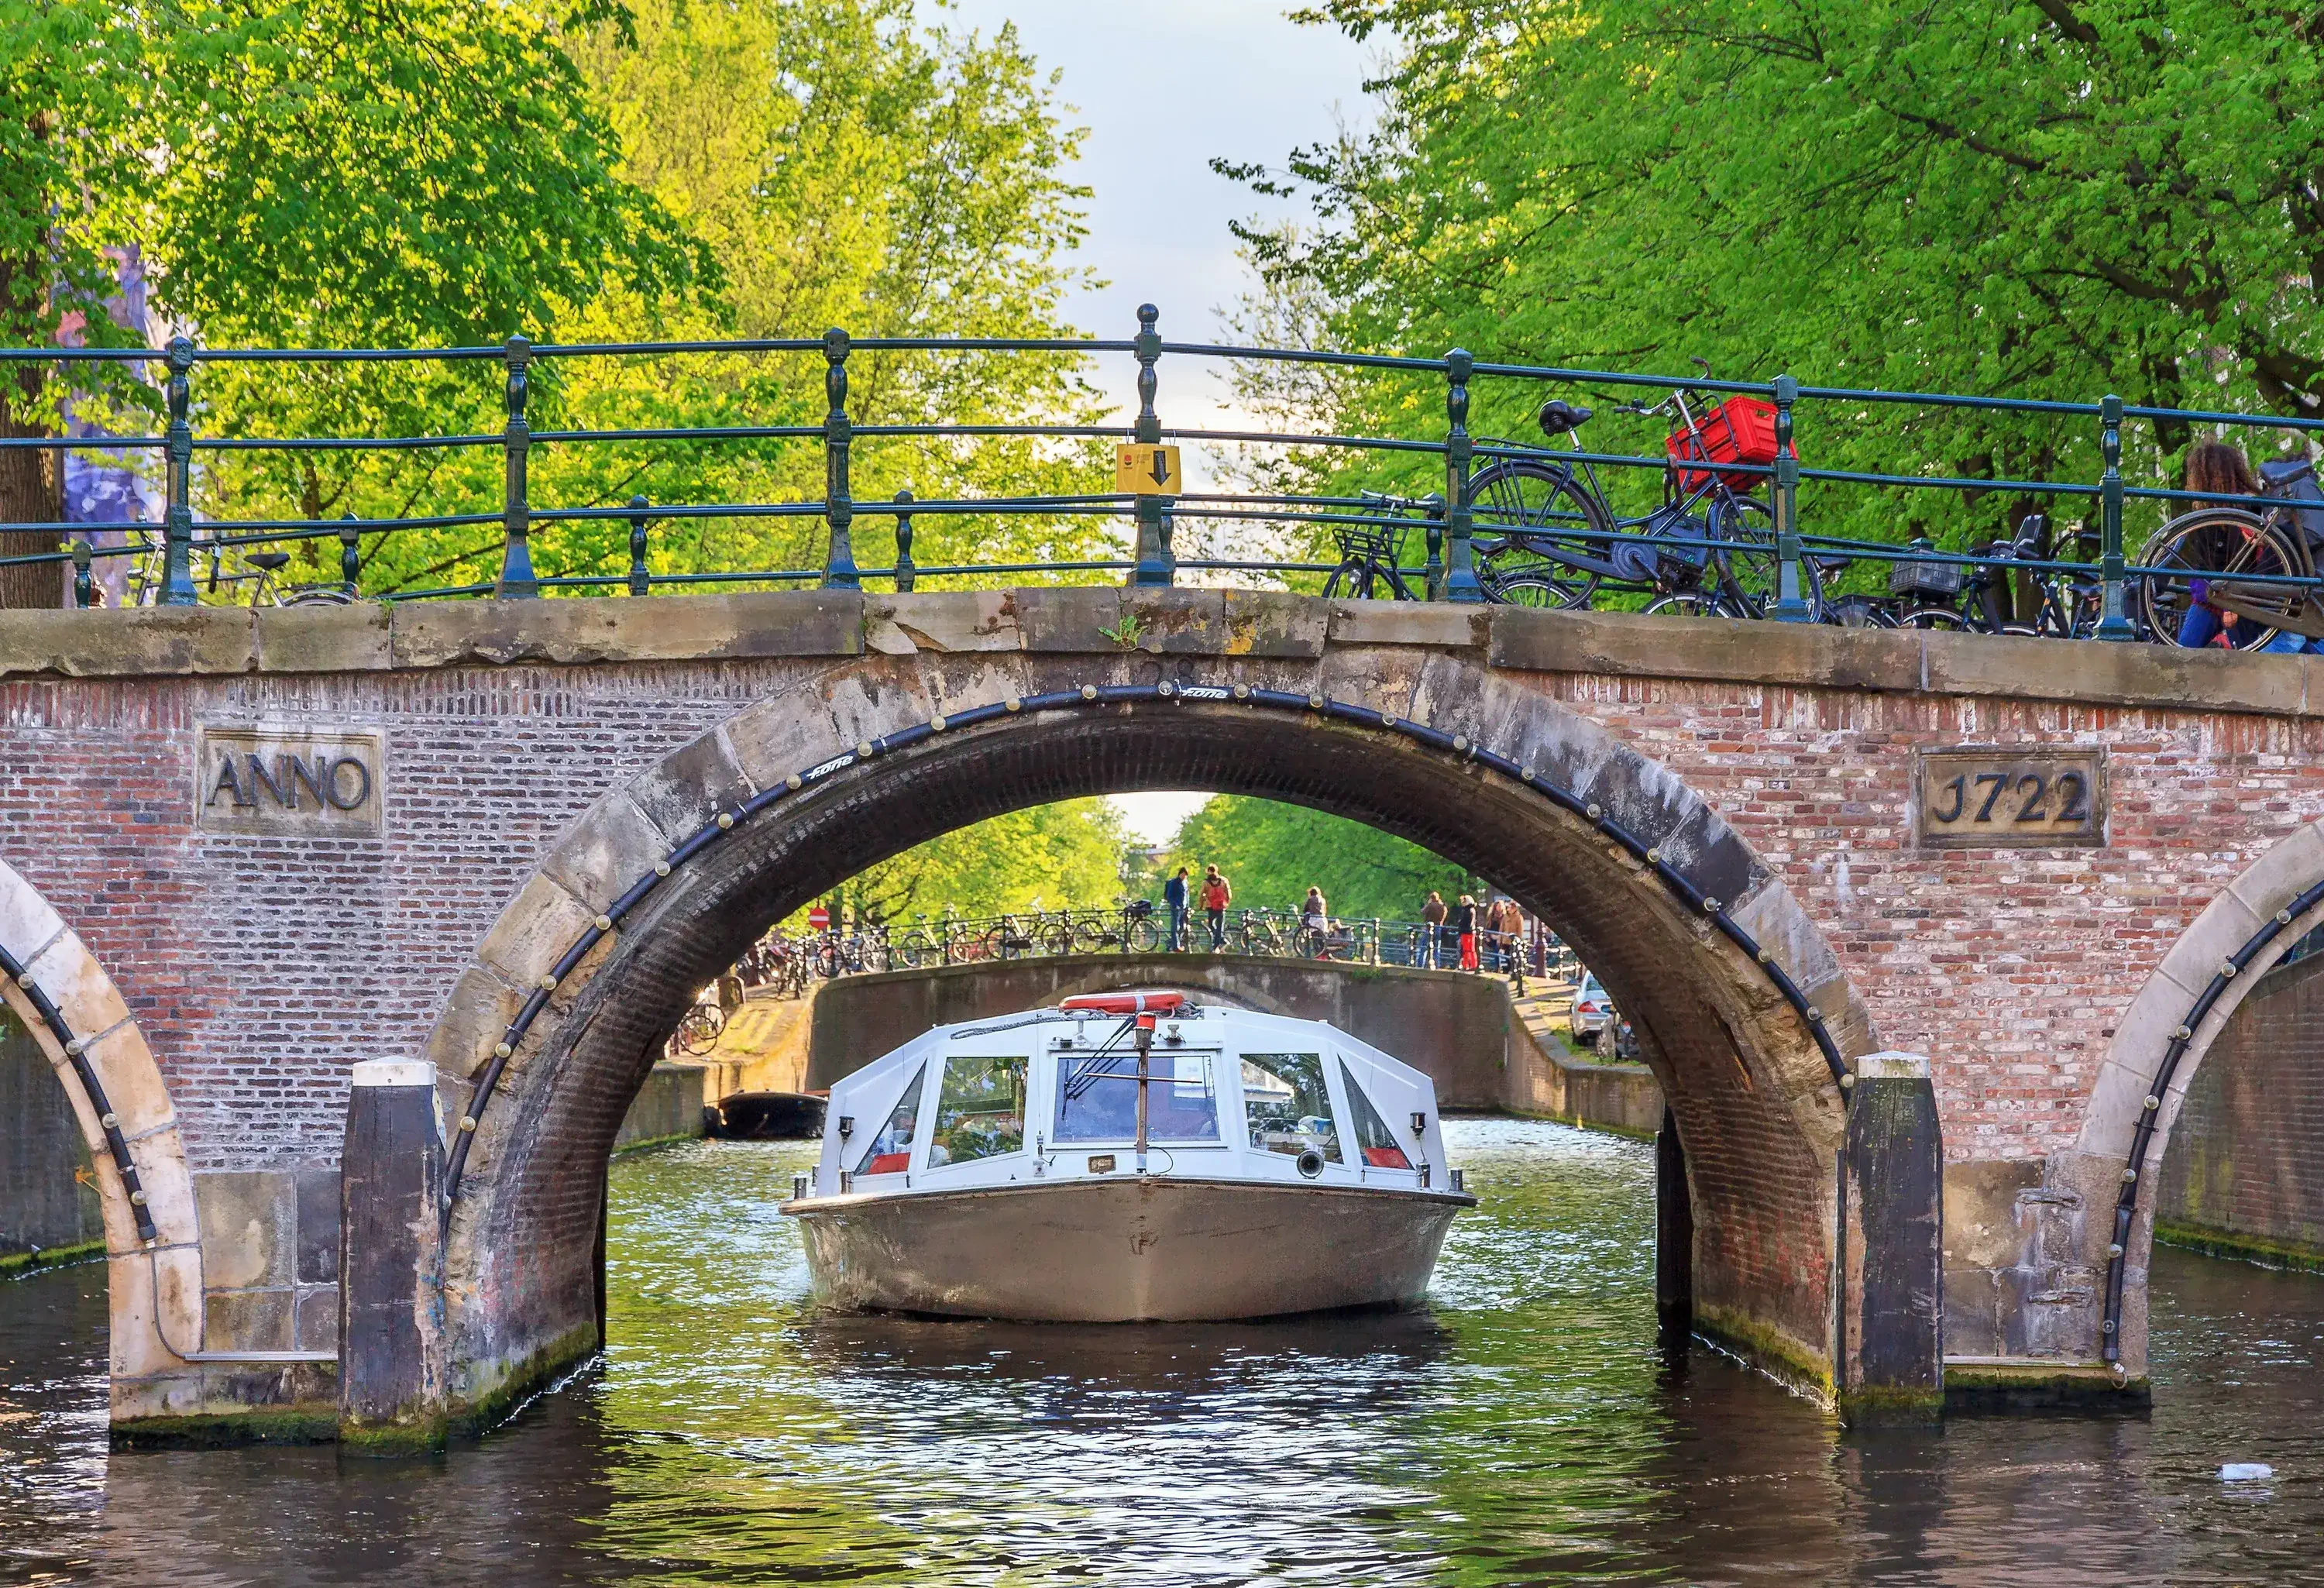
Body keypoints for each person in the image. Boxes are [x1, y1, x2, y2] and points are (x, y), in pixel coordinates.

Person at [2175, 441, 2319, 655]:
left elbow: (2264, 566)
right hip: (2220, 599)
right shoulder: (2204, 519)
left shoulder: (2249, 509)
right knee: (2186, 650)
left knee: (2185, 651)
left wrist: (2229, 602)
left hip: (2240, 601)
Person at [1200, 864, 1232, 950]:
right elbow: (1229, 894)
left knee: (1211, 924)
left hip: (1211, 906)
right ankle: (1218, 943)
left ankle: (1218, 942)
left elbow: (1201, 895)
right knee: (1220, 926)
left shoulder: (1206, 882)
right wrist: (1227, 903)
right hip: (1221, 906)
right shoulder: (1223, 881)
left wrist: (1201, 905)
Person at [1163, 865, 1190, 951]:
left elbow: (1186, 896)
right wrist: (1175, 904)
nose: (1185, 877)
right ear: (1181, 874)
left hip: (1183, 907)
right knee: (1175, 927)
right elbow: (1170, 895)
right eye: (1184, 875)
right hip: (1176, 907)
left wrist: (1187, 907)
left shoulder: (1185, 883)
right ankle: (1175, 946)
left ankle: (1173, 943)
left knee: (1182, 927)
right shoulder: (1174, 882)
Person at [1418, 890, 1447, 968]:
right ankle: (1437, 965)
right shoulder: (1442, 907)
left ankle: (1420, 964)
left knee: (1423, 947)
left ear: (1431, 898)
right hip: (1438, 928)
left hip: (1429, 928)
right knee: (1436, 948)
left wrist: (1428, 904)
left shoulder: (1430, 905)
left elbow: (1422, 912)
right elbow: (1443, 917)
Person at [1301, 886, 1329, 957]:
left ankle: (1316, 955)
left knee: (1315, 938)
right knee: (1322, 938)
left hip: (1314, 920)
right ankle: (1323, 955)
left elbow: (1305, 910)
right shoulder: (1322, 900)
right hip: (1322, 919)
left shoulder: (1310, 899)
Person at [1454, 892, 1480, 972]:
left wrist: (1460, 924)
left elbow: (1465, 922)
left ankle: (1468, 965)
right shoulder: (1471, 910)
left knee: (1467, 950)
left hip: (1466, 933)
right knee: (1470, 950)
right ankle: (1472, 965)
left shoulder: (1467, 911)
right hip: (1470, 932)